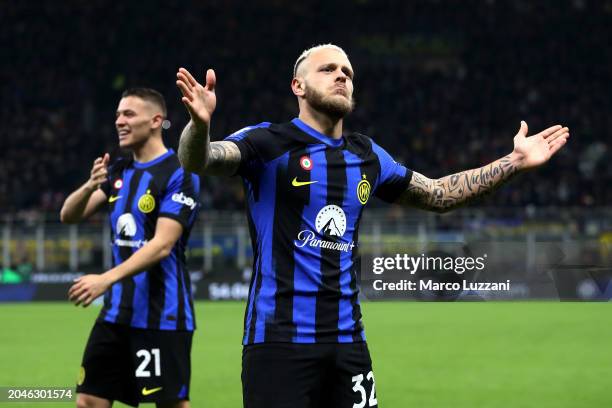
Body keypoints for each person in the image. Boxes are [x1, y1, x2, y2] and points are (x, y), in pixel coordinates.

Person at [175, 44, 569, 408]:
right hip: (279, 343)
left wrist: (513, 162)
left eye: (347, 71)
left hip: (349, 343)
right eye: (328, 69)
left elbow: (438, 194)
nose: (342, 76)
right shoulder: (267, 142)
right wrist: (199, 124)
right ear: (298, 85)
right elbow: (200, 159)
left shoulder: (367, 155)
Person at [60, 88, 200, 408]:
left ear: (155, 121)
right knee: (89, 399)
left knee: (170, 404)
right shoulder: (119, 171)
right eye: (118, 115)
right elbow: (69, 215)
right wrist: (89, 185)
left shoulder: (179, 172)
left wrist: (105, 279)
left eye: (128, 114)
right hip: (116, 315)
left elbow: (162, 245)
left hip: (162, 316)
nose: (119, 121)